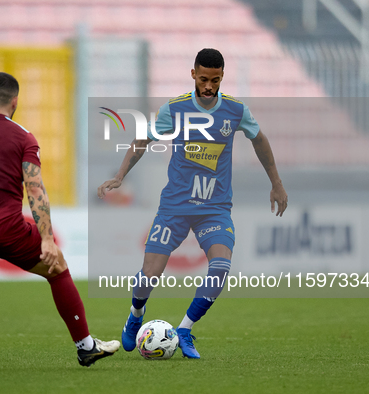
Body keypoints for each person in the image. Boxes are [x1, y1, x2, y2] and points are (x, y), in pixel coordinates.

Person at [97, 48, 288, 359]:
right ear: (193, 75)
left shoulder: (236, 111)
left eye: (214, 79)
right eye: (203, 79)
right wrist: (120, 176)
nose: (209, 86)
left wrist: (276, 183)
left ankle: (184, 329)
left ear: (222, 76)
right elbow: (142, 139)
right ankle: (135, 314)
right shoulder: (176, 109)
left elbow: (259, 139)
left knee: (221, 267)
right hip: (174, 207)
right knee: (149, 275)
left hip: (214, 209)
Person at [0, 72, 119, 369]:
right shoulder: (23, 137)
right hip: (6, 227)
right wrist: (46, 238)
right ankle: (86, 347)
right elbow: (34, 187)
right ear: (15, 101)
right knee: (57, 267)